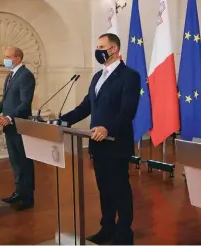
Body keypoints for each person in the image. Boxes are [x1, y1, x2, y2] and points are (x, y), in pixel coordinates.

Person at [60, 33, 141, 245]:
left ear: (113, 49)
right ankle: (107, 229)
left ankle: (124, 235)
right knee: (104, 189)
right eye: (97, 46)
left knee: (119, 189)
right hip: (97, 144)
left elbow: (127, 111)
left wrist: (108, 128)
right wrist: (61, 120)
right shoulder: (97, 77)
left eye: (101, 46)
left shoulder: (129, 76)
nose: (98, 50)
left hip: (116, 142)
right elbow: (87, 107)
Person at [0, 46, 36, 211]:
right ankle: (19, 191)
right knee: (16, 162)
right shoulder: (10, 75)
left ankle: (27, 197)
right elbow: (5, 103)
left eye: (8, 57)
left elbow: (25, 103)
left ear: (18, 58)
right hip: (9, 127)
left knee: (24, 161)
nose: (5, 60)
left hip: (20, 125)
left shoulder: (26, 75)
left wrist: (9, 117)